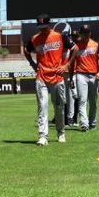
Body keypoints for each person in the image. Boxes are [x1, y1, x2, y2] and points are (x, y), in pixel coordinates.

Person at [24, 14, 77, 145]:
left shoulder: (60, 36)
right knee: (42, 106)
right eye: (40, 27)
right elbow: (26, 50)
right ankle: (43, 136)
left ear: (50, 25)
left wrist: (67, 64)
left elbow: (75, 48)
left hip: (57, 77)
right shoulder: (35, 39)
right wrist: (32, 63)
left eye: (44, 27)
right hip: (41, 76)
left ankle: (61, 133)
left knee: (59, 107)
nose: (42, 29)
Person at [73, 24, 99, 132]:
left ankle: (92, 123)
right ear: (80, 33)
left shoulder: (96, 44)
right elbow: (72, 62)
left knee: (93, 102)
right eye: (84, 32)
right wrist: (72, 76)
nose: (86, 34)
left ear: (90, 33)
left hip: (94, 75)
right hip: (81, 75)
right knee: (82, 100)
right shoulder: (76, 46)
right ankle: (84, 124)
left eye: (88, 32)